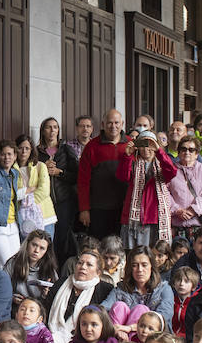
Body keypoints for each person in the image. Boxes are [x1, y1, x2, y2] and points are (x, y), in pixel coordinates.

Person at [116, 131, 179, 248]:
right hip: (134, 217)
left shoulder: (162, 162)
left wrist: (159, 151)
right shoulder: (133, 161)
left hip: (156, 216)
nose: (146, 149)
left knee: (157, 253)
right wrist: (127, 156)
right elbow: (123, 176)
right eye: (143, 144)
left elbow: (172, 172)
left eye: (150, 144)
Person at [45, 248, 115, 343]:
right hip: (51, 334)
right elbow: (46, 308)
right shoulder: (62, 282)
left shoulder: (105, 289)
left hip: (83, 342)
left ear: (98, 272)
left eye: (89, 265)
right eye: (80, 263)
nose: (83, 267)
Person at [77, 109, 130, 238]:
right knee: (98, 248)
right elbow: (83, 181)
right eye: (109, 123)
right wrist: (84, 209)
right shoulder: (92, 146)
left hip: (124, 208)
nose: (113, 126)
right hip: (98, 209)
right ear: (102, 124)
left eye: (117, 123)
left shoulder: (131, 145)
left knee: (121, 248)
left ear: (122, 124)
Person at [102, 246, 174, 337]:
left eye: (144, 265)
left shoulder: (164, 289)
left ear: (152, 266)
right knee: (119, 306)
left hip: (155, 340)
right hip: (121, 338)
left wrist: (131, 328)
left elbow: (162, 320)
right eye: (135, 265)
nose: (139, 270)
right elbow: (103, 308)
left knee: (141, 309)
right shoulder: (121, 288)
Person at [37, 117, 80, 264]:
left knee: (62, 237)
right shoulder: (37, 153)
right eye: (48, 127)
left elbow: (77, 175)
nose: (52, 130)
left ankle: (61, 270)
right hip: (44, 202)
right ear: (43, 130)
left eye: (55, 127)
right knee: (45, 238)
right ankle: (46, 268)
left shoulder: (66, 149)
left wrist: (59, 172)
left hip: (64, 201)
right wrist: (43, 166)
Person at [167, 137, 202, 234]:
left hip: (199, 225)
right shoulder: (170, 170)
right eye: (183, 149)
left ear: (196, 154)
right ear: (178, 152)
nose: (187, 152)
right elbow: (164, 192)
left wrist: (193, 210)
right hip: (175, 225)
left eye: (191, 150)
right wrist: (177, 210)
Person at [13, 133, 55, 242]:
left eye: (27, 148)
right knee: (26, 252)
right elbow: (12, 194)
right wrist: (28, 190)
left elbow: (44, 190)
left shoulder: (40, 166)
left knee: (46, 251)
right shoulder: (11, 170)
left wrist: (25, 200)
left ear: (32, 150)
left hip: (45, 216)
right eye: (20, 148)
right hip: (23, 218)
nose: (24, 151)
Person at [0, 139, 22, 266]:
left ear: (15, 156)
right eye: (3, 154)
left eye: (9, 154)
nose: (6, 157)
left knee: (17, 265)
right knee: (5, 266)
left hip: (13, 225)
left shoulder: (14, 173)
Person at [4, 229, 58, 308]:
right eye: (34, 245)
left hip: (39, 309)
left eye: (42, 248)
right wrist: (11, 297)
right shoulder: (13, 263)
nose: (36, 250)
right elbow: (2, 289)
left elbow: (56, 299)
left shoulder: (50, 269)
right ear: (27, 244)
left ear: (46, 251)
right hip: (16, 308)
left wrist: (46, 295)